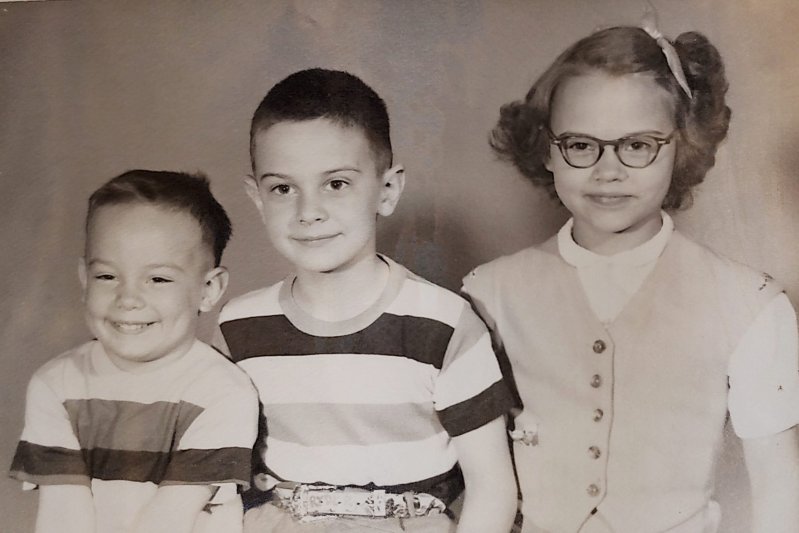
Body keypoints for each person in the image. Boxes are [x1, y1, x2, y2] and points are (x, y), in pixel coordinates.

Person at [461, 17, 799, 533]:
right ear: (549, 149)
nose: (607, 170)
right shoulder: (487, 295)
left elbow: (780, 496)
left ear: (681, 144)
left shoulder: (749, 304)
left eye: (637, 145)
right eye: (580, 144)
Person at [218, 68, 517, 533]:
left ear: (388, 189)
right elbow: (215, 477)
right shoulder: (240, 327)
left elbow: (492, 487)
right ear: (256, 197)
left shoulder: (444, 324)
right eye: (283, 188)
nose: (308, 211)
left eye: (336, 183)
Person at [9, 170, 260, 533]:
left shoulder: (222, 392)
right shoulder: (56, 385)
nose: (127, 299)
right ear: (84, 279)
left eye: (157, 279)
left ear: (208, 289)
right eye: (107, 276)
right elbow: (63, 515)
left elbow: (171, 518)